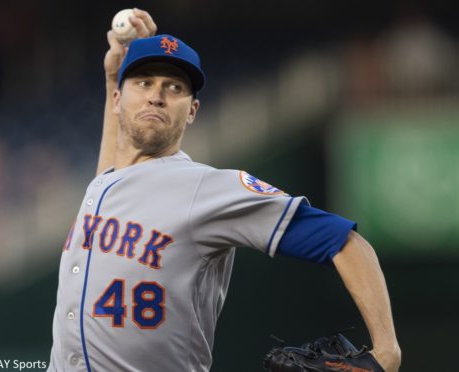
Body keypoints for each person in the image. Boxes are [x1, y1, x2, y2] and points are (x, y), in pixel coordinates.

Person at [47, 9, 401, 372]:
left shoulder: (206, 188)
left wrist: (386, 349)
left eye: (174, 87)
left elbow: (343, 242)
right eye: (144, 83)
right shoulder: (105, 184)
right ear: (119, 98)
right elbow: (115, 166)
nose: (157, 96)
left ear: (192, 111)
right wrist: (113, 76)